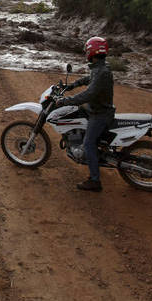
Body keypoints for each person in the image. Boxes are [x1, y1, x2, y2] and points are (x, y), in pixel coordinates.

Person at [55, 36, 115, 192]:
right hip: (96, 109)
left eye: (87, 51)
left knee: (88, 143)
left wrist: (66, 101)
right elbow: (89, 79)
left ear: (91, 52)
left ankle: (95, 181)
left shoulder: (101, 71)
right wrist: (73, 85)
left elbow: (88, 94)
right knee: (79, 114)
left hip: (100, 113)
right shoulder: (100, 68)